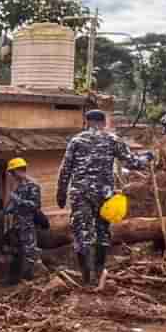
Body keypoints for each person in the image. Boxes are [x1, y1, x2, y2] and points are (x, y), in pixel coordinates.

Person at [56, 110, 154, 287]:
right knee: (102, 233)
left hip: (80, 194)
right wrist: (147, 157)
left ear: (86, 122)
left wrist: (61, 193)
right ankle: (99, 271)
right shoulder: (112, 139)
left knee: (81, 233)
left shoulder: (76, 140)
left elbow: (65, 170)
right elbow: (132, 163)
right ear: (104, 122)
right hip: (104, 194)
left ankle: (86, 277)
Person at [2, 158, 42, 285]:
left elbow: (35, 206)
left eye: (13, 173)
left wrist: (18, 200)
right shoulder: (19, 187)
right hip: (18, 225)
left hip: (28, 225)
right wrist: (8, 210)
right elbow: (15, 206)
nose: (12, 176)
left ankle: (30, 281)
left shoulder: (33, 186)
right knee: (15, 253)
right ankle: (12, 280)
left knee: (30, 254)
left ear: (19, 171)